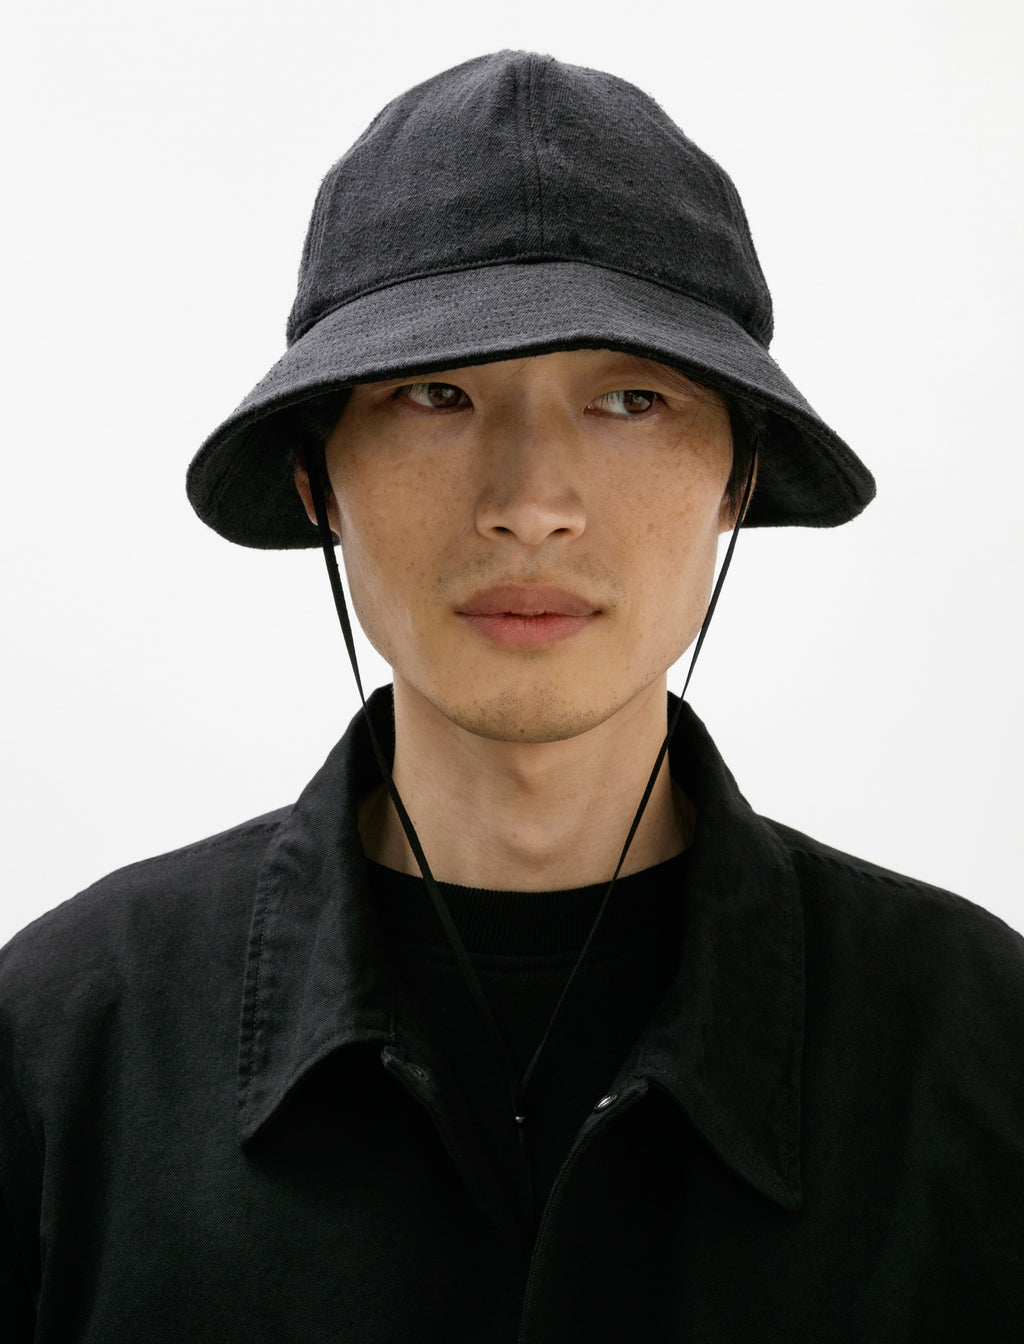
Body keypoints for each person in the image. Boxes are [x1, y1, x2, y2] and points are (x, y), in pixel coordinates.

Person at [1, 49, 1022, 1343]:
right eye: (435, 394)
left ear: (739, 478)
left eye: (630, 398)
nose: (531, 505)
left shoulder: (980, 1051)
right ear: (316, 478)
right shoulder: (66, 1046)